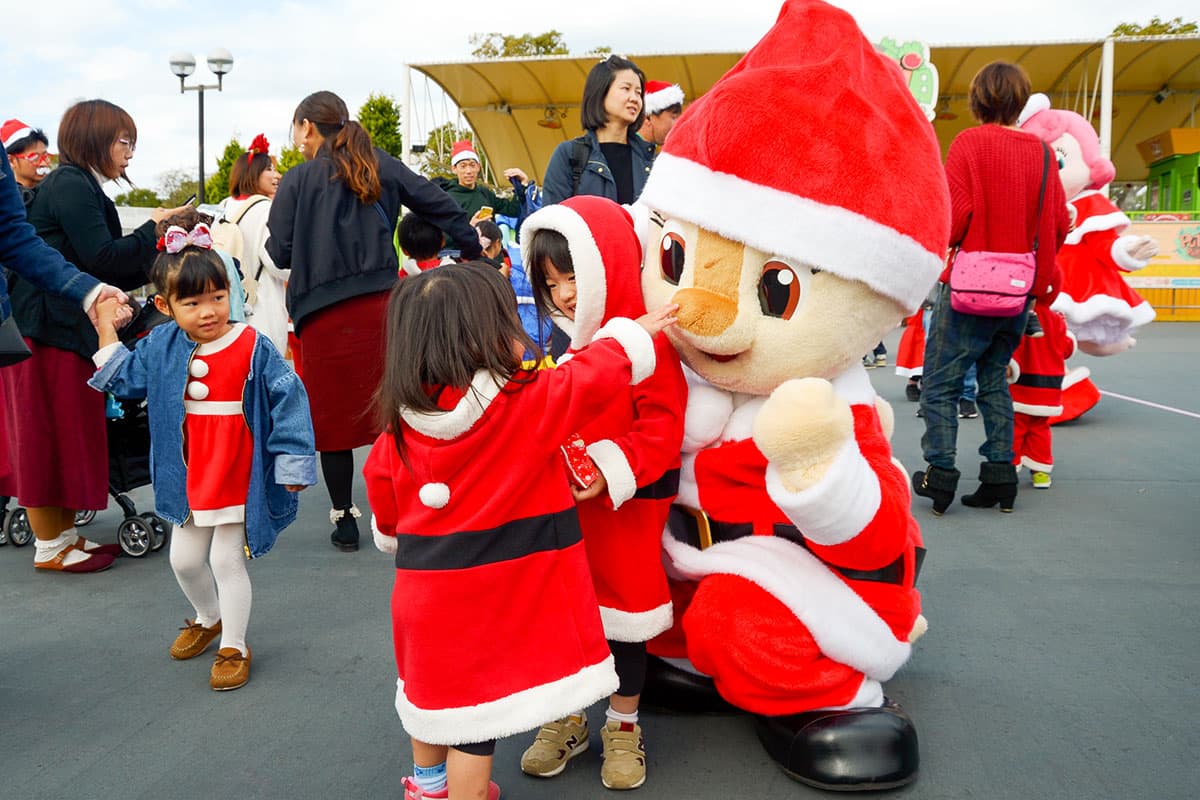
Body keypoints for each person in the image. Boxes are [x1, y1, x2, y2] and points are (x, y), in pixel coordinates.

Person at [363, 263, 677, 800]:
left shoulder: (400, 422)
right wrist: (632, 335)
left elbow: (381, 494)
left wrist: (401, 531)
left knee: (430, 701)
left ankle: (429, 788)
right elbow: (590, 376)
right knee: (477, 726)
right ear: (487, 336)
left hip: (420, 598)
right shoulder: (522, 405)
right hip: (493, 600)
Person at [88, 216, 316, 690]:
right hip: (188, 473)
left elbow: (289, 399)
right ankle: (207, 615)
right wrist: (106, 331)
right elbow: (127, 381)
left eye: (217, 296)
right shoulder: (160, 343)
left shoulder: (253, 345)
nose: (209, 310)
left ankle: (234, 643)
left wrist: (293, 461)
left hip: (237, 469)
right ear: (164, 306)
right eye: (192, 302)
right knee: (184, 561)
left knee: (226, 561)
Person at [518, 197, 686, 791]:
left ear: (607, 265)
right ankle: (568, 716)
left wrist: (610, 472)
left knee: (628, 622)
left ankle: (622, 723)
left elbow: (663, 428)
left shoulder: (646, 343)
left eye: (573, 275)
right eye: (551, 281)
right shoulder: (565, 345)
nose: (563, 292)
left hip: (627, 511)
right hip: (571, 513)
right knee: (568, 620)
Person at [266, 90, 481, 553]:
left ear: (307, 126)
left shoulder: (298, 180)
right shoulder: (380, 163)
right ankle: (412, 501)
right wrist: (472, 247)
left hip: (322, 315)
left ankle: (344, 517)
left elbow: (277, 251)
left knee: (334, 423)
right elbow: (436, 202)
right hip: (384, 307)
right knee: (400, 407)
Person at [0, 99, 190, 574]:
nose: (128, 152)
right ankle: (51, 545)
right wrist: (155, 227)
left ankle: (62, 537)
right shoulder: (70, 183)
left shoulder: (76, 184)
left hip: (60, 325)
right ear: (94, 138)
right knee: (46, 434)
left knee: (63, 433)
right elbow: (102, 257)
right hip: (44, 328)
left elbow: (104, 264)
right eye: (123, 140)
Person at [912, 62, 1070, 515]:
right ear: (1020, 101)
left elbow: (955, 217)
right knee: (994, 380)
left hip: (968, 288)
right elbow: (1057, 222)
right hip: (1018, 290)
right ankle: (1001, 476)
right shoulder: (1041, 153)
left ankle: (939, 475)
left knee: (940, 384)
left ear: (978, 99)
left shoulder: (968, 144)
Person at [542, 55, 655, 205]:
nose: (634, 98)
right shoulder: (569, 155)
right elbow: (552, 219)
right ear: (601, 92)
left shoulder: (650, 160)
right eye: (626, 89)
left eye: (638, 92)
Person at [225, 133, 288, 354]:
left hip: (228, 310)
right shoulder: (265, 209)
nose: (277, 175)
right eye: (269, 169)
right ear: (253, 174)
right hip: (260, 310)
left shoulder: (224, 207)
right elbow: (278, 265)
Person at [1009, 299, 1075, 489]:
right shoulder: (1056, 318)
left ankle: (1010, 469)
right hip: (1049, 386)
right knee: (1040, 428)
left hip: (1021, 383)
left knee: (1015, 427)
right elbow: (1067, 349)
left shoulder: (1018, 313)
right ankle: (1041, 473)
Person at [437, 139, 529, 221]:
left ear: (478, 167)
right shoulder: (448, 197)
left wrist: (522, 184)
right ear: (454, 169)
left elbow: (513, 211)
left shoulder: (485, 193)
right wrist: (471, 229)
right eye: (463, 166)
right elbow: (445, 235)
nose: (468, 171)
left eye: (472, 165)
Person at [3, 119, 52, 196]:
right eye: (34, 157)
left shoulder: (54, 193)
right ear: (11, 161)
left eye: (45, 156)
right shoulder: (8, 199)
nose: (44, 163)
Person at [638, 81, 684, 147]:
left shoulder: (650, 154)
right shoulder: (627, 153)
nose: (679, 124)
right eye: (674, 117)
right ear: (647, 118)